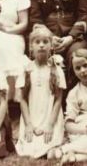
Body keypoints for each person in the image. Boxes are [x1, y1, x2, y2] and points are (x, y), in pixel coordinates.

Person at [16, 26, 66, 158]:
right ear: (31, 47)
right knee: (28, 148)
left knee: (48, 140)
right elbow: (22, 99)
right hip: (31, 115)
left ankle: (53, 146)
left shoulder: (57, 70)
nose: (41, 45)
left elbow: (58, 99)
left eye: (45, 41)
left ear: (51, 46)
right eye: (37, 42)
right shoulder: (26, 69)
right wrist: (28, 124)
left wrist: (50, 124)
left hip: (50, 115)